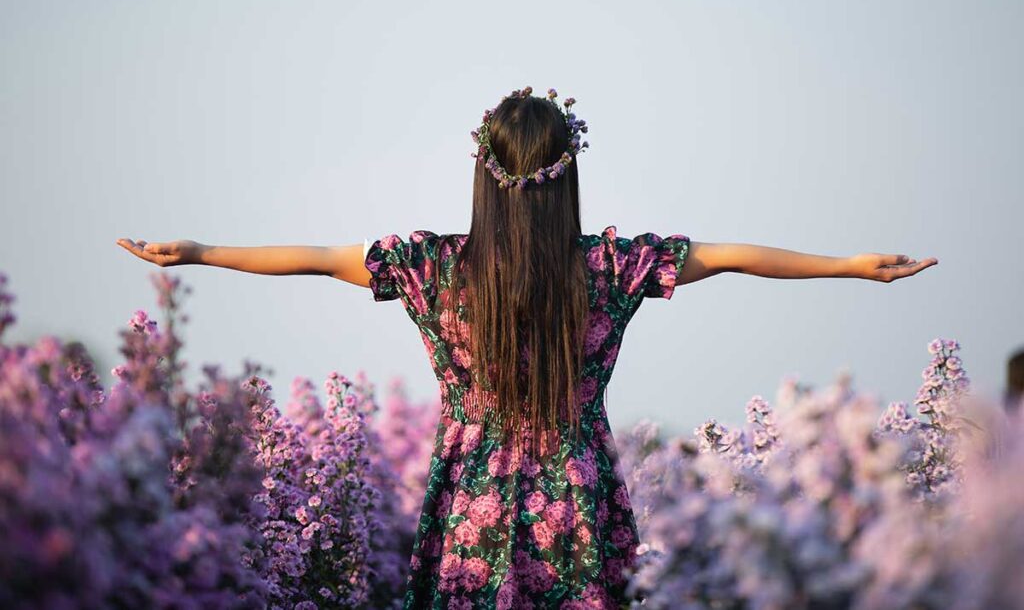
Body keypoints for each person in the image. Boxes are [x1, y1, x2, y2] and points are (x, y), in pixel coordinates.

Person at [116, 85, 938, 609]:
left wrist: (198, 252)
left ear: (483, 173)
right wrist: (852, 269)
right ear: (567, 174)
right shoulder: (609, 268)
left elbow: (312, 257)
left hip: (467, 508)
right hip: (577, 503)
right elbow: (729, 255)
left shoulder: (435, 268)